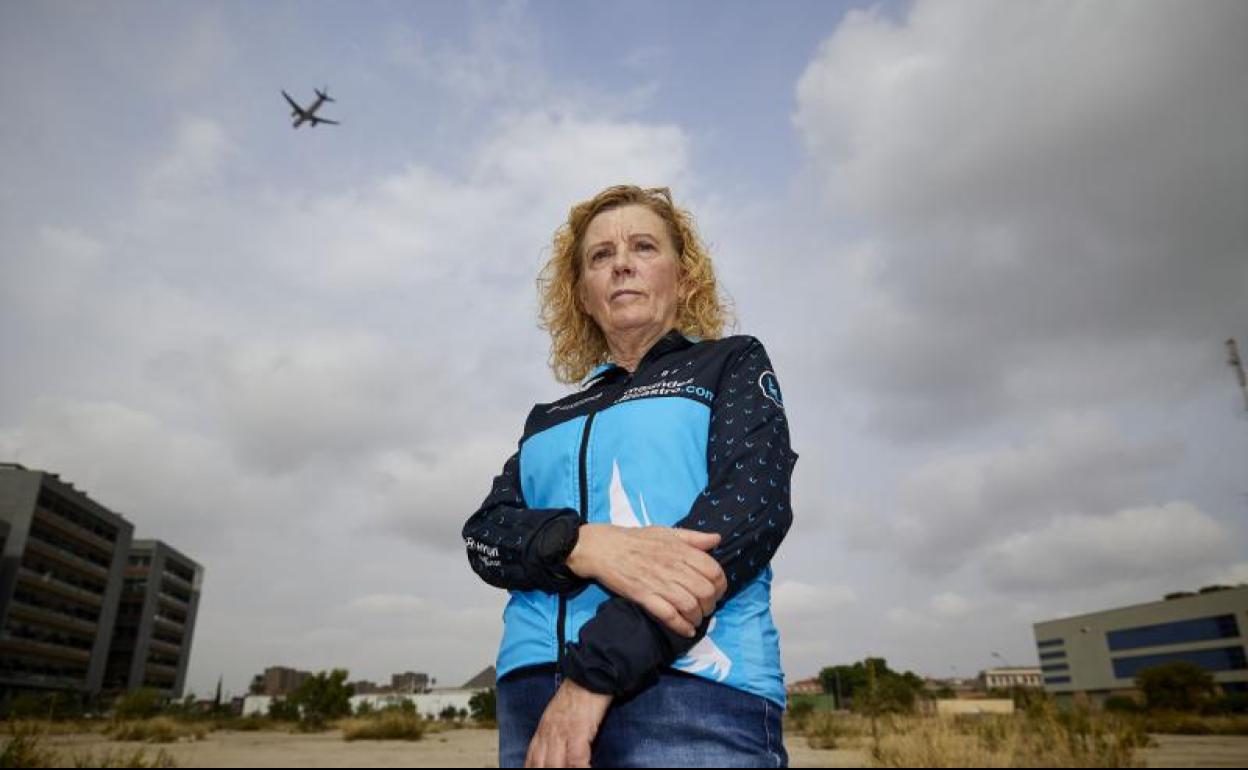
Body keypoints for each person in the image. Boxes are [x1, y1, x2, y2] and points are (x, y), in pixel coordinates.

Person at [462, 184, 797, 767]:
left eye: (643, 247)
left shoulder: (732, 364)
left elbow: (744, 519)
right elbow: (486, 534)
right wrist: (584, 544)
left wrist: (594, 674)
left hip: (693, 688)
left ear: (684, 278)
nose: (621, 264)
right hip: (530, 695)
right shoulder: (549, 418)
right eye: (599, 256)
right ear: (584, 297)